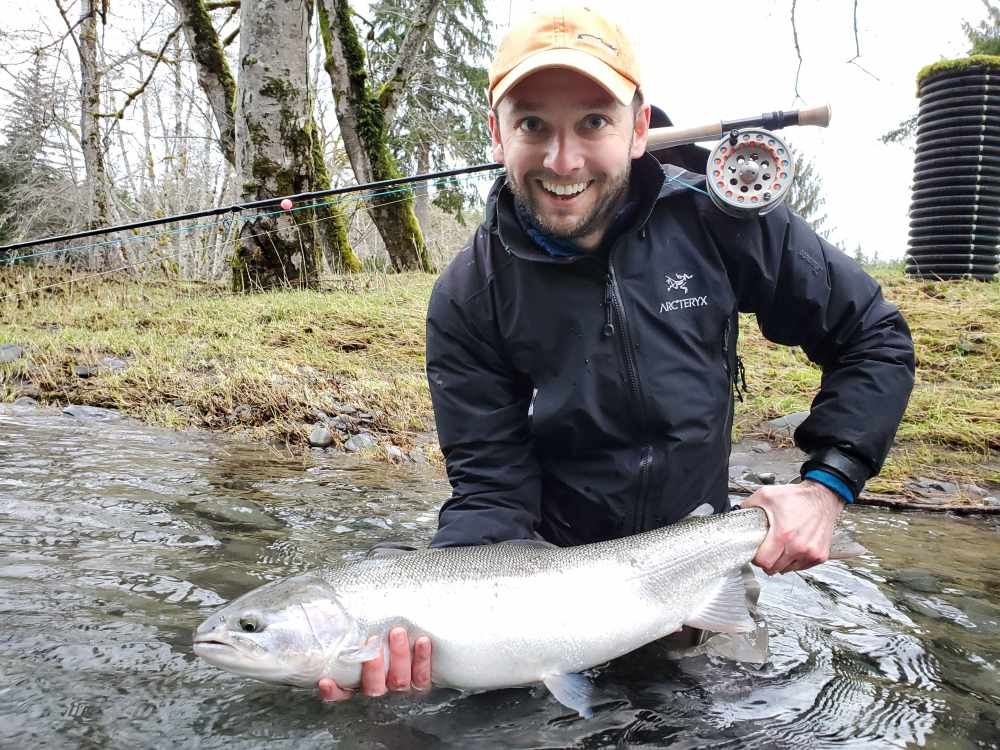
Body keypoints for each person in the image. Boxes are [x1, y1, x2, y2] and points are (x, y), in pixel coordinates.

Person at [319, 4, 915, 702]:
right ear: (496, 134)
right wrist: (442, 630)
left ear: (639, 128)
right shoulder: (469, 294)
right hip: (545, 590)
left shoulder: (719, 222)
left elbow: (872, 337)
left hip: (694, 563)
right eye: (533, 124)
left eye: (594, 122)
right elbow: (490, 490)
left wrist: (827, 485)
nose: (562, 160)